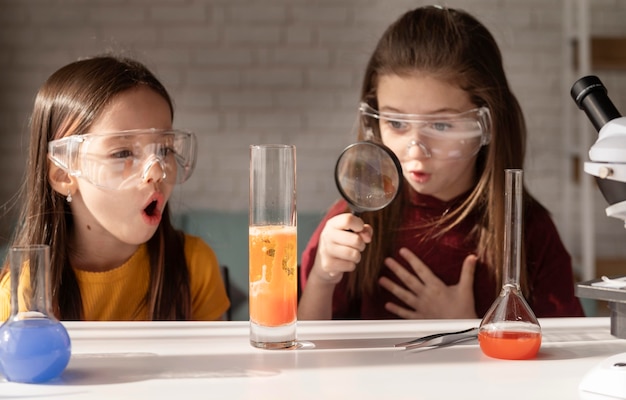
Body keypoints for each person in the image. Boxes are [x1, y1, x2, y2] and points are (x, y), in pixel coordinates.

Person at [298, 5, 584, 320]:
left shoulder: (529, 232)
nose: (415, 151)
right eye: (395, 123)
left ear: (486, 124)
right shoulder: (353, 221)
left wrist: (469, 326)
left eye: (441, 126)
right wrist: (323, 278)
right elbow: (307, 351)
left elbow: (564, 357)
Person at [0, 55, 230, 321]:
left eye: (165, 149)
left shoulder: (193, 266)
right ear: (63, 174)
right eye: (122, 153)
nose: (156, 170)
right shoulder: (24, 297)